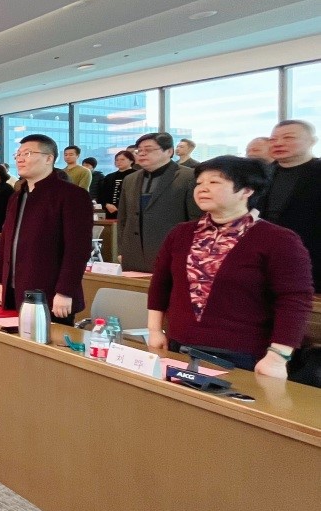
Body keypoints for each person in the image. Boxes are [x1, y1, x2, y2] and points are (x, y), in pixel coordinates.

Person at [147, 156, 312, 374]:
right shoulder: (181, 233)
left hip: (242, 355)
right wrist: (154, 330)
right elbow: (160, 284)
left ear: (247, 190)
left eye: (214, 182)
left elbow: (294, 300)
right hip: (179, 345)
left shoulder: (278, 239)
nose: (202, 188)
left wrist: (278, 356)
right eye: (199, 183)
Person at [0, 134, 93, 322]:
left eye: (28, 153)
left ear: (49, 158)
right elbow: (6, 241)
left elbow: (78, 249)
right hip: (13, 289)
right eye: (18, 154)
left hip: (51, 292)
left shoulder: (72, 195)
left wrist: (65, 291)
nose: (20, 159)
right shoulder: (16, 196)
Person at [118, 132, 201, 273]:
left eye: (148, 149)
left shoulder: (188, 177)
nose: (142, 154)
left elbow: (196, 220)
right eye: (139, 150)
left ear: (169, 151)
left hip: (173, 254)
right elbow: (123, 218)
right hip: (133, 254)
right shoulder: (130, 179)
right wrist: (122, 250)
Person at [259, 119, 321, 291]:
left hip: (311, 261)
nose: (278, 143)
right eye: (273, 139)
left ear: (312, 141)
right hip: (264, 262)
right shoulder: (260, 175)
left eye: (288, 137)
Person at [97, 149, 135, 216]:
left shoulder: (136, 175)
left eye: (122, 159)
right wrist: (106, 204)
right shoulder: (109, 177)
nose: (119, 162)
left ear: (131, 161)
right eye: (117, 160)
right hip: (111, 211)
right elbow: (101, 194)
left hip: (131, 211)